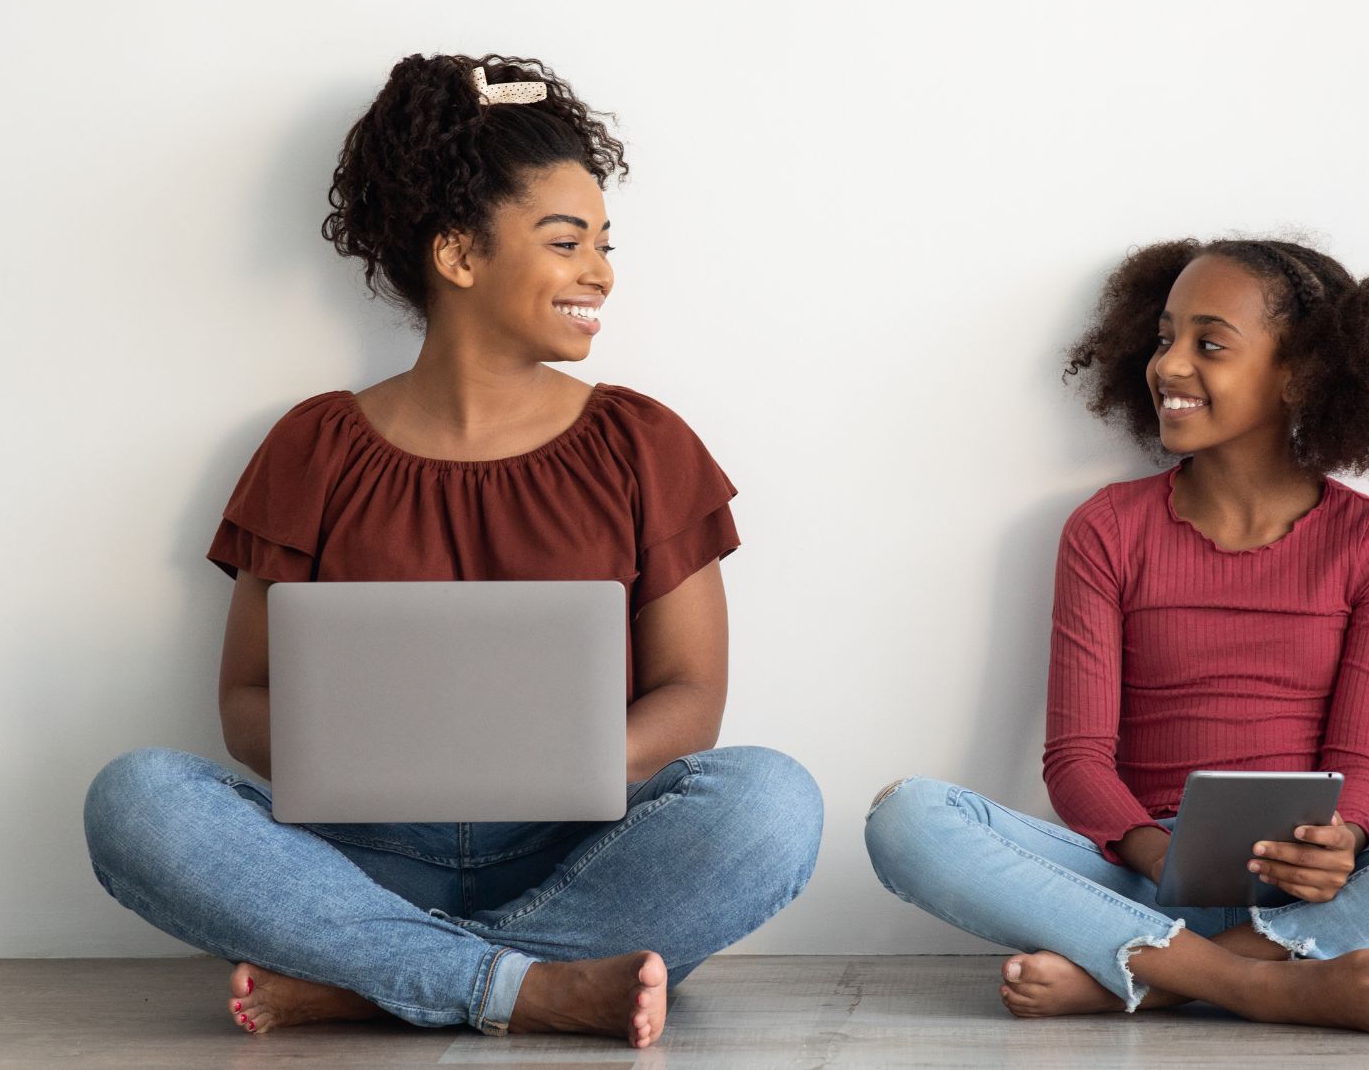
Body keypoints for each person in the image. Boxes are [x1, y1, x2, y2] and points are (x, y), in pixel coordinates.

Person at [82, 53, 823, 1049]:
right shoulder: (314, 445)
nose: (601, 271)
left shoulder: (644, 443)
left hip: (580, 855)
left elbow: (692, 696)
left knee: (772, 803)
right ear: (459, 255)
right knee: (135, 800)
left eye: (605, 243)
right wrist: (366, 757)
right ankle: (526, 985)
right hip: (356, 858)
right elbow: (245, 702)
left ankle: (382, 979)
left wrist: (566, 762)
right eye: (568, 242)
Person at [863, 238, 1369, 1036]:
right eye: (1164, 338)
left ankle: (1154, 977)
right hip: (1138, 877)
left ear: (1300, 372)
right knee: (907, 818)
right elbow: (1077, 761)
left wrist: (1344, 840)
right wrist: (1158, 853)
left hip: (1303, 884)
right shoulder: (1108, 529)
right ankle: (1271, 983)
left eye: (1209, 344)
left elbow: (1361, 764)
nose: (1169, 365)